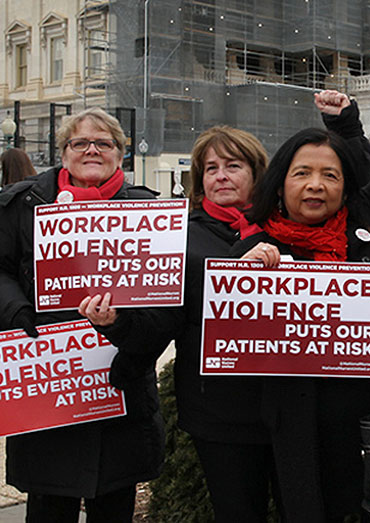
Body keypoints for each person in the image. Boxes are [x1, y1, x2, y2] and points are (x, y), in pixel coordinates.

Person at [79, 123, 277, 521]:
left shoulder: (285, 228)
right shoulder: (179, 238)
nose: (220, 175)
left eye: (232, 166)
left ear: (257, 172)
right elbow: (160, 324)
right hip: (218, 410)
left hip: (284, 404)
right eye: (210, 168)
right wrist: (116, 322)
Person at [232, 113, 370, 521]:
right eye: (302, 173)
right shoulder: (254, 247)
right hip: (294, 426)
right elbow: (229, 340)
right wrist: (242, 274)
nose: (315, 185)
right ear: (281, 181)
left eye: (330, 175)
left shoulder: (366, 231)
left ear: (345, 187)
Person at [0, 107, 163, 522]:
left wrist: (122, 323)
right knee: (49, 504)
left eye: (103, 143)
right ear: (64, 152)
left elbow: (162, 302)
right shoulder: (23, 203)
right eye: (79, 143)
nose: (91, 150)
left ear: (120, 154)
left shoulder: (147, 213)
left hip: (118, 380)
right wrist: (19, 314)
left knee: (113, 503)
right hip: (47, 381)